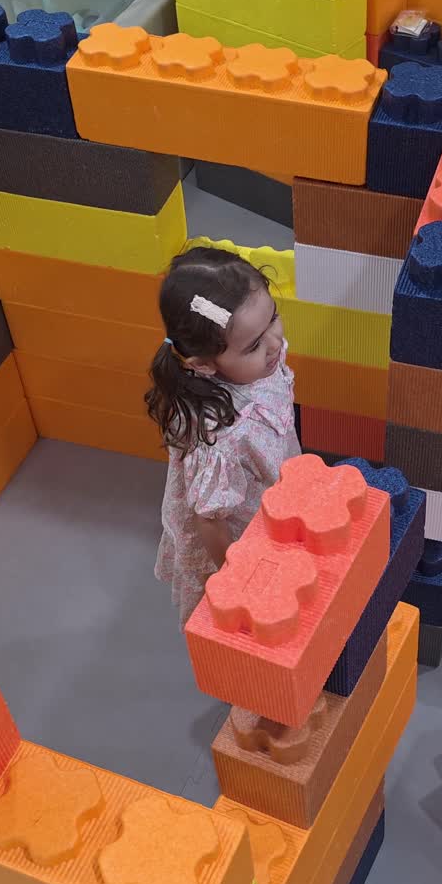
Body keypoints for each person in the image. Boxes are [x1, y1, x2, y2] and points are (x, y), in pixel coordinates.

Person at [146, 245, 300, 628]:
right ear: (203, 365)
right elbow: (210, 520)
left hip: (268, 484)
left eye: (273, 320)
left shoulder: (262, 361)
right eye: (253, 345)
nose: (275, 344)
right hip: (240, 523)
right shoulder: (223, 440)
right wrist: (236, 573)